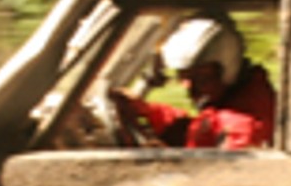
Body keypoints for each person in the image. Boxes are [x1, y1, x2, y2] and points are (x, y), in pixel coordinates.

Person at [116, 13, 277, 149]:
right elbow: (199, 128)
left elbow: (215, 179)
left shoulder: (242, 128)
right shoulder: (235, 104)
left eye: (199, 78)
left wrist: (164, 161)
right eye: (184, 76)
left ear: (227, 70)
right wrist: (145, 110)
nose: (187, 86)